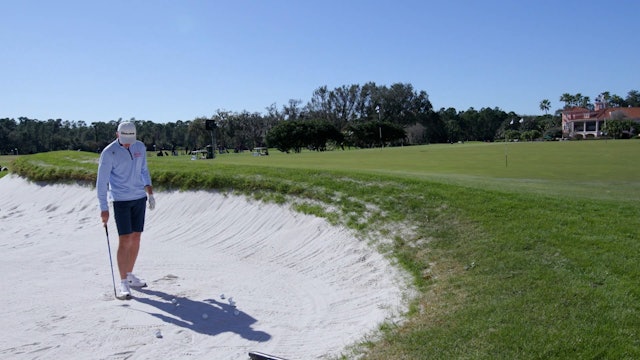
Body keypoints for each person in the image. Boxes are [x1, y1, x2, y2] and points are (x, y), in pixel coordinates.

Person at [96, 122, 156, 299]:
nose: (128, 144)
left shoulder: (140, 147)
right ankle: (123, 283)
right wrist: (103, 208)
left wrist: (150, 193)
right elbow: (102, 183)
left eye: (131, 140)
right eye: (125, 140)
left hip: (139, 198)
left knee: (136, 236)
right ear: (117, 135)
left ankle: (129, 275)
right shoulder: (109, 153)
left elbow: (144, 170)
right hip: (121, 200)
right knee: (125, 239)